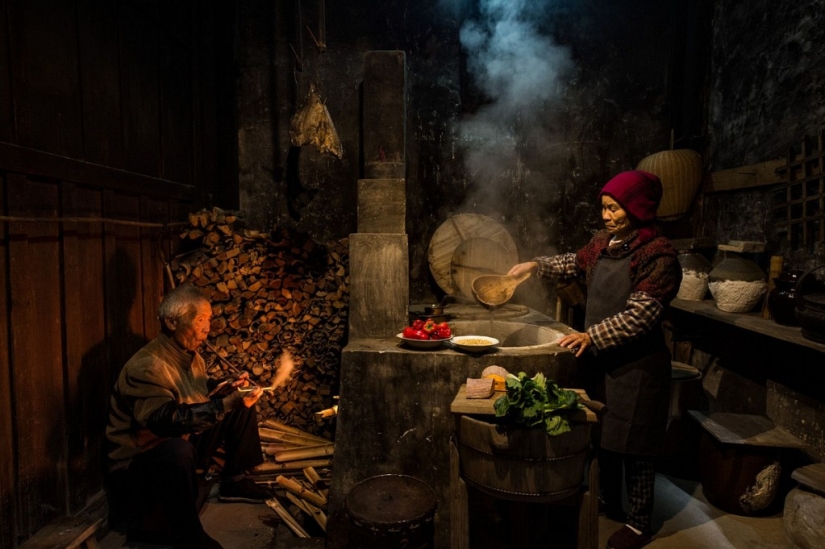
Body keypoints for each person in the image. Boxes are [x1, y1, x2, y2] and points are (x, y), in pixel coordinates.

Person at [508, 170, 681, 549]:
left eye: (614, 208)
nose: (606, 215)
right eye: (604, 207)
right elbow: (574, 262)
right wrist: (534, 266)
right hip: (602, 360)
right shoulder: (604, 243)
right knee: (604, 435)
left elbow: (641, 315)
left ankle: (638, 523)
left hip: (638, 366)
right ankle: (608, 501)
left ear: (637, 208)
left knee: (635, 445)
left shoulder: (659, 255)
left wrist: (592, 335)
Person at [106, 284, 292, 549]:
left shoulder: (192, 357)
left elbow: (198, 394)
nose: (207, 328)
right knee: (178, 449)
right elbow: (164, 421)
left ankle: (235, 480)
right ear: (172, 321)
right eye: (200, 320)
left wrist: (226, 389)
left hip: (179, 440)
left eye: (210, 320)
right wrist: (224, 404)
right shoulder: (147, 365)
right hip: (139, 465)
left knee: (239, 404)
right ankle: (188, 533)